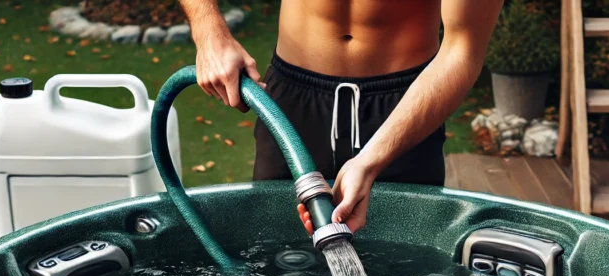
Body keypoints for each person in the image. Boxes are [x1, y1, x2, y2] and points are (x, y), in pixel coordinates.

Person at [179, 0, 501, 233]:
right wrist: (209, 31)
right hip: (293, 105)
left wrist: (370, 161)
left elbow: (463, 49)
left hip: (407, 109)